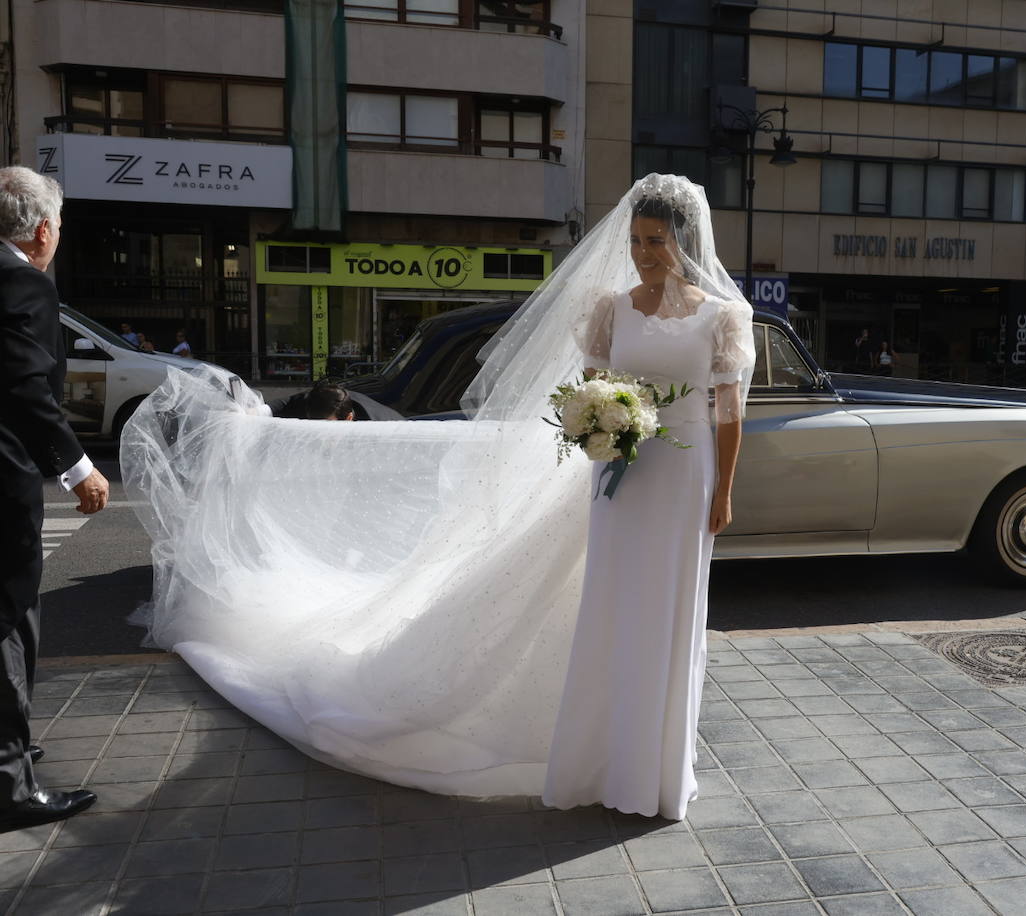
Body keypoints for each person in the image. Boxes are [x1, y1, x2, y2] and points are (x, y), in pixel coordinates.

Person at [119, 174, 755, 821]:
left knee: (671, 617)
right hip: (617, 477)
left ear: (686, 241)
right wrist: (601, 425)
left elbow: (727, 413)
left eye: (657, 242)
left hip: (682, 477)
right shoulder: (609, 309)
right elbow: (590, 390)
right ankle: (604, 759)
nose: (645, 253)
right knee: (612, 612)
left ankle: (655, 771)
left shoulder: (722, 318)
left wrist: (723, 490)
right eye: (638, 240)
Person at [0, 166, 107, 831]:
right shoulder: (21, 282)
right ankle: (11, 781)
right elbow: (24, 388)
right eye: (60, 228)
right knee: (8, 617)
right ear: (43, 230)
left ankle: (12, 744)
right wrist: (79, 470)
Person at [257, 381, 356, 420]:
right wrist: (257, 412)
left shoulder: (369, 428)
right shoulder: (310, 402)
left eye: (328, 425)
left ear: (348, 419)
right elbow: (288, 403)